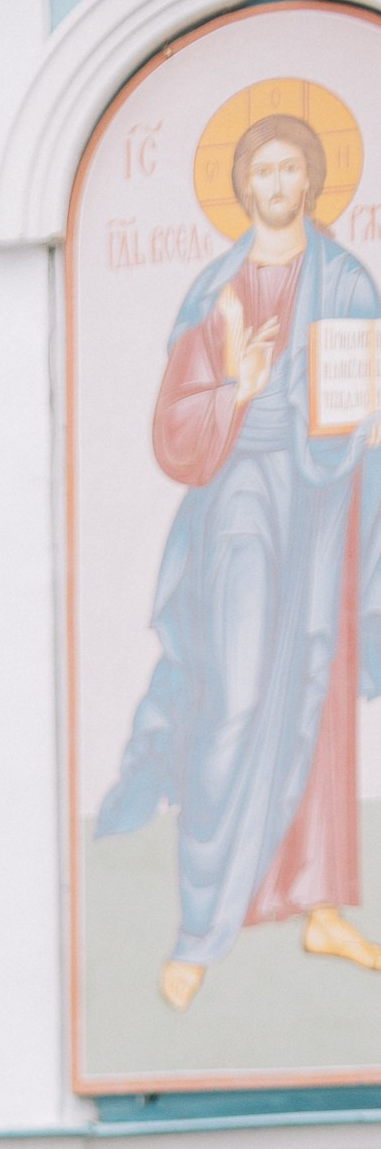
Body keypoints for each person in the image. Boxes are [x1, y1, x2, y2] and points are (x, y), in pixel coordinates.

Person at [101, 102, 381, 1007]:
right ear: (242, 186)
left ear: (310, 180)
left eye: (290, 170)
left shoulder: (344, 279)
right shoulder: (210, 294)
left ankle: (321, 903)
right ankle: (197, 928)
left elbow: (358, 391)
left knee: (319, 685)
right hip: (240, 502)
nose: (276, 184)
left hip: (324, 496)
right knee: (238, 692)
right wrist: (241, 388)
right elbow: (173, 427)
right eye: (260, 171)